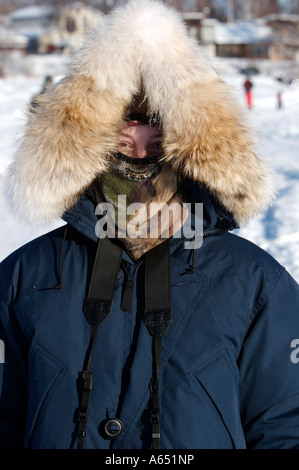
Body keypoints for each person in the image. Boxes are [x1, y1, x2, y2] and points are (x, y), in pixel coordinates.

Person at [1, 0, 299, 450]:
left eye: (158, 140)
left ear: (195, 150)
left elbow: (284, 426)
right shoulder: (25, 277)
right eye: (120, 140)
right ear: (82, 150)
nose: (138, 156)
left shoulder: (256, 282)